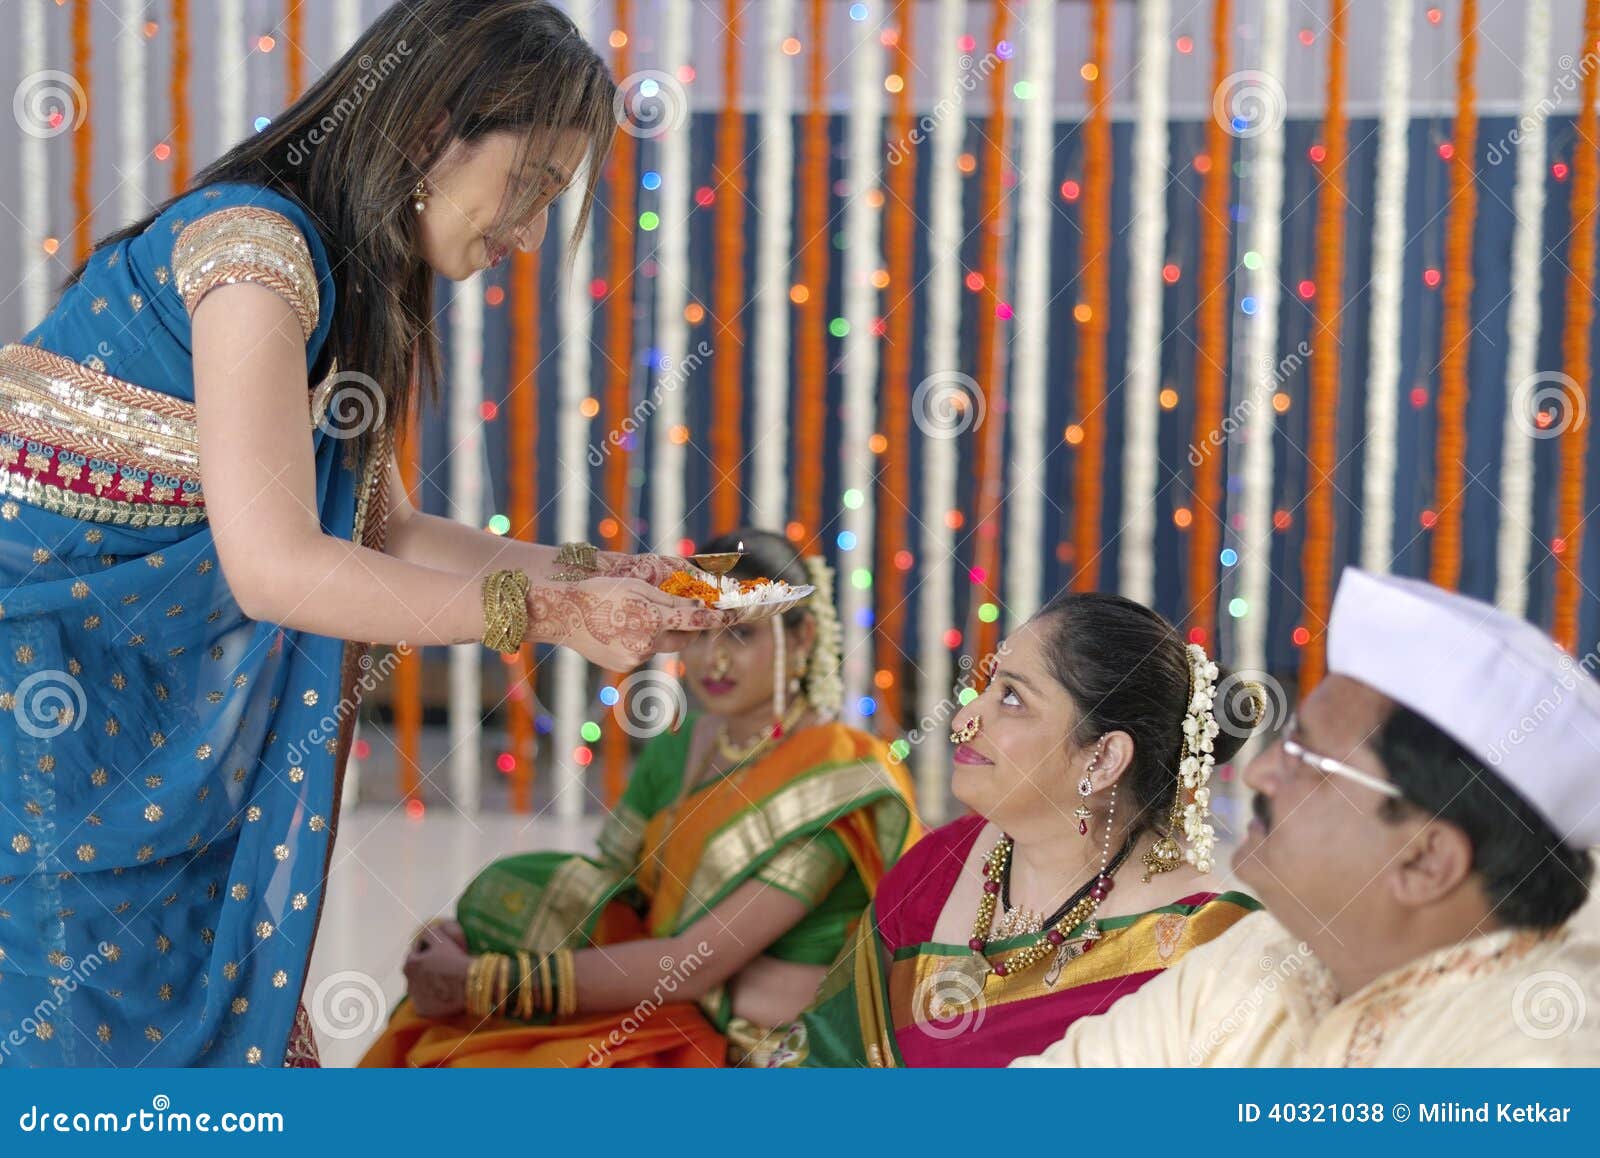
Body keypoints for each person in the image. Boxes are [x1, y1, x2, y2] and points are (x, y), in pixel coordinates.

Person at [0, 1, 739, 1068]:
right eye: (530, 186)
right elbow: (279, 569)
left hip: (127, 703)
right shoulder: (254, 257)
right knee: (79, 1043)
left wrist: (597, 572)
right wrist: (554, 612)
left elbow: (381, 531)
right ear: (435, 123)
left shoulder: (363, 289)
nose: (528, 234)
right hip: (45, 700)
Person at [360, 530, 922, 1068]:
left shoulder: (834, 776)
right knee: (440, 1036)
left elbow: (698, 962)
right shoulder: (678, 749)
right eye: (700, 633)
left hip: (765, 1041)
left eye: (741, 634)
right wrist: (480, 938)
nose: (713, 662)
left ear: (801, 638)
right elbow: (605, 886)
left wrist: (486, 980)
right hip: (663, 985)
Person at [1013, 569, 1600, 1067]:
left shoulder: (1542, 1053)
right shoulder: (1263, 956)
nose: (1258, 774)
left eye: (1306, 758)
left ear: (1426, 861)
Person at [774, 592, 1264, 1067]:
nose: (963, 720)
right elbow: (825, 1060)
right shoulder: (936, 867)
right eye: (987, 686)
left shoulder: (1210, 946)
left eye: (1011, 698)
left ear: (1104, 758)